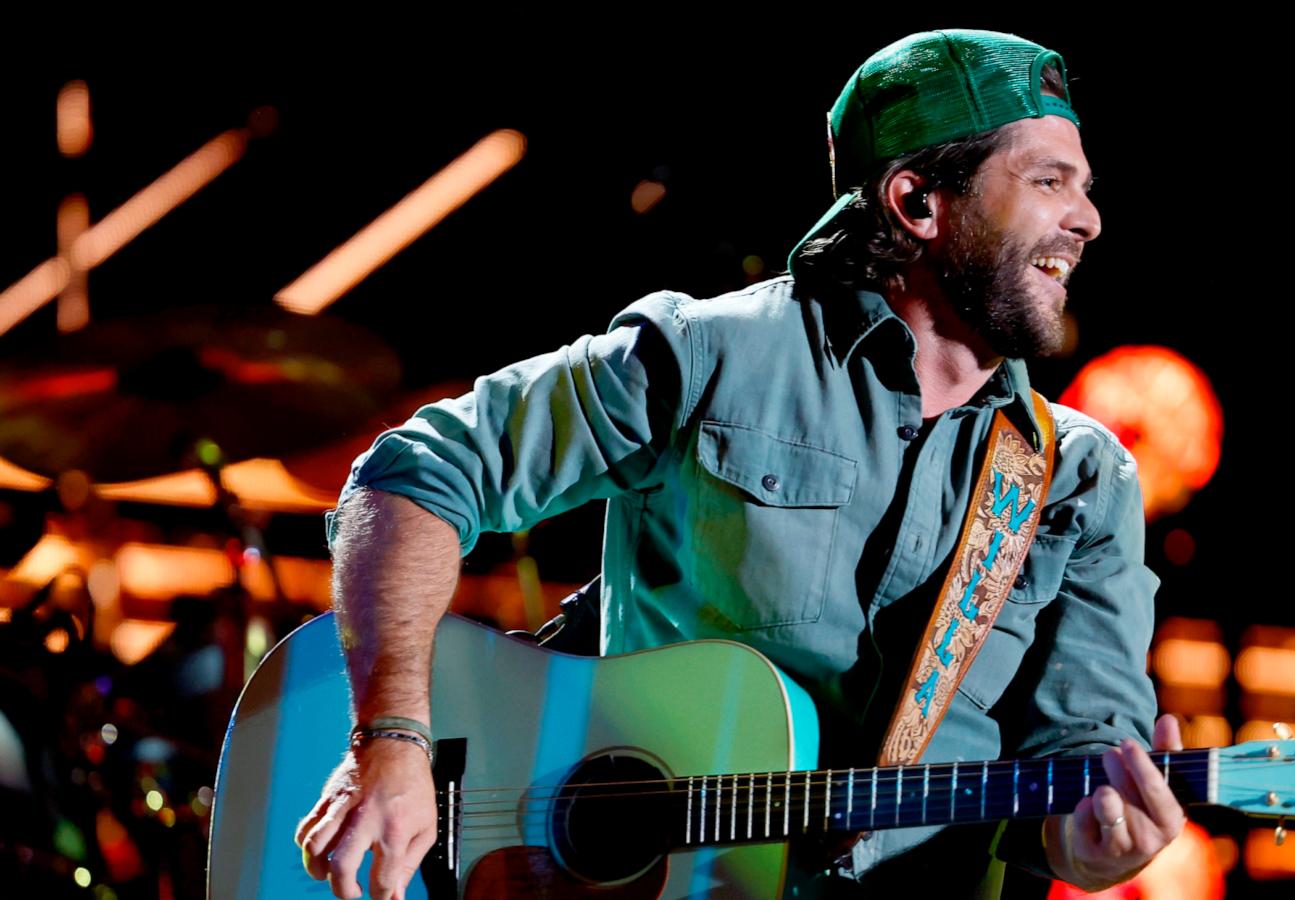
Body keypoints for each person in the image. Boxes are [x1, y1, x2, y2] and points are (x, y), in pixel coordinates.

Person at [292, 28, 1185, 899]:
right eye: (1048, 181)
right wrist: (393, 739)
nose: (1089, 218)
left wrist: (1099, 844)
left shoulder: (1079, 479)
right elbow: (411, 474)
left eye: (1086, 187)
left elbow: (1082, 775)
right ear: (919, 202)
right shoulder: (710, 355)